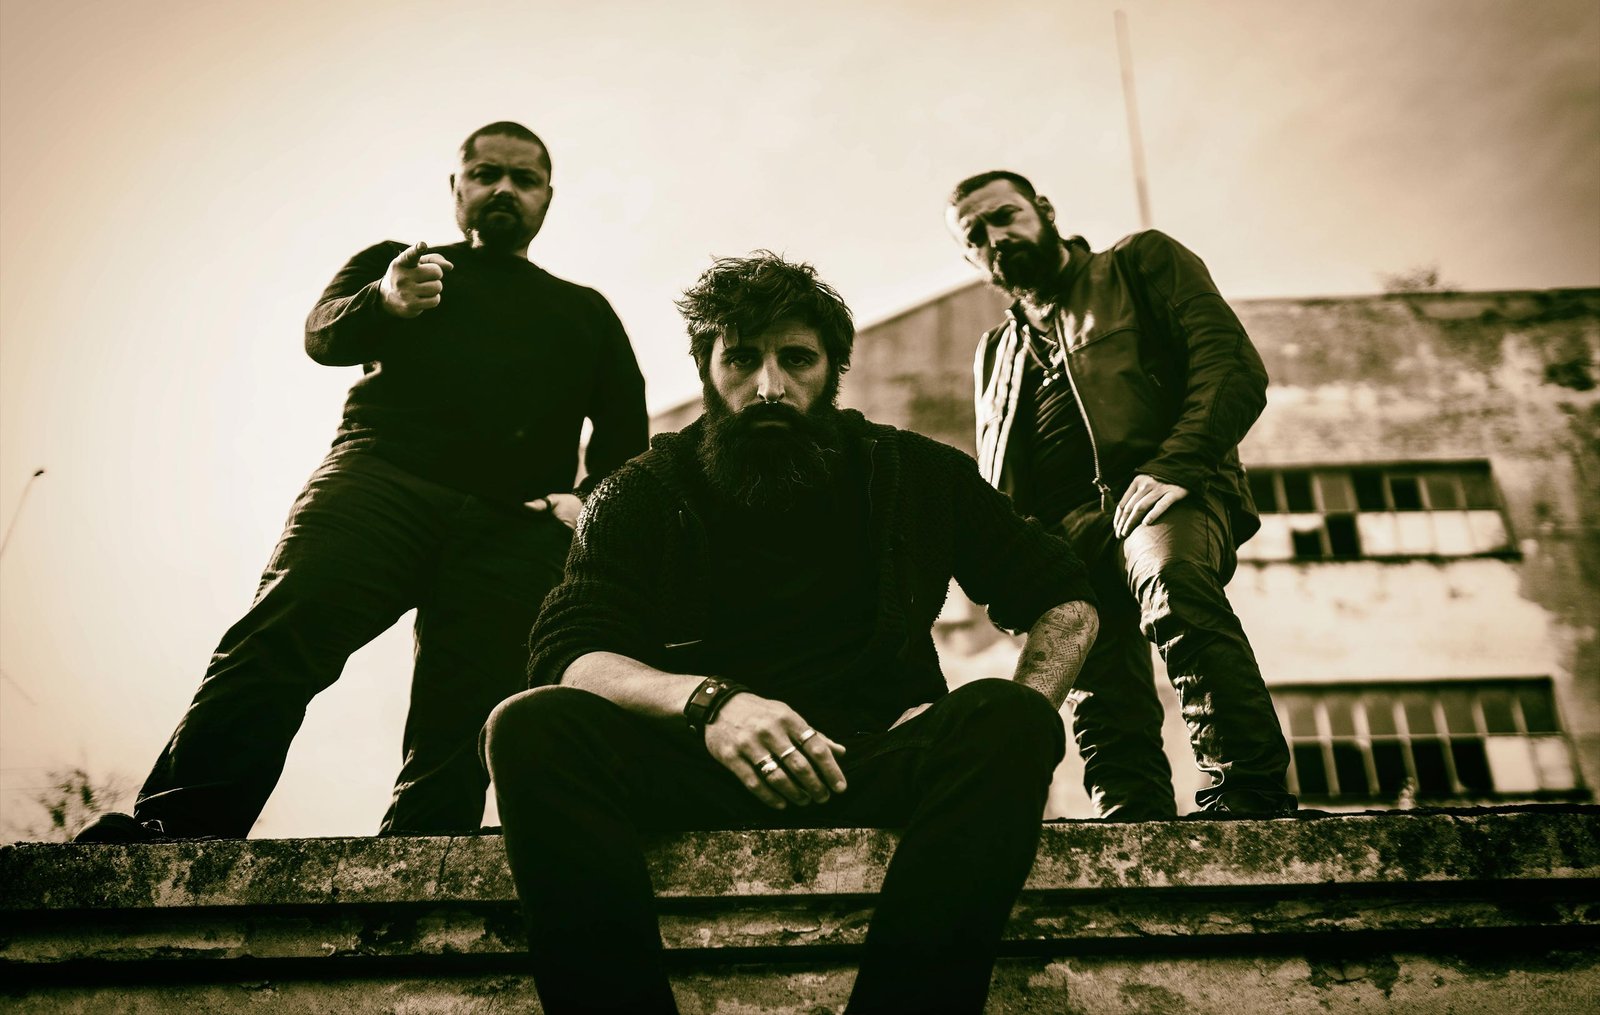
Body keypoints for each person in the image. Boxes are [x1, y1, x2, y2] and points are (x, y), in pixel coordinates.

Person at [482, 252, 1100, 1014]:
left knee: (1010, 717)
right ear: (709, 370)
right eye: (742, 358)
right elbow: (570, 654)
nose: (769, 386)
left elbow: (1065, 599)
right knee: (530, 725)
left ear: (833, 369)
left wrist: (1015, 707)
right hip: (696, 769)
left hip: (874, 760)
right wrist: (711, 704)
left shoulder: (917, 473)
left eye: (796, 359)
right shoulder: (638, 491)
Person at [76, 122, 647, 842]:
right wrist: (385, 301)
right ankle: (179, 827)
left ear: (547, 198)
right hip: (379, 486)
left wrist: (584, 506)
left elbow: (625, 431)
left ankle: (424, 860)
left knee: (467, 713)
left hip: (515, 525)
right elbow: (322, 336)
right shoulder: (397, 265)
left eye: (524, 179)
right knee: (276, 645)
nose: (504, 188)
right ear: (457, 187)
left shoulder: (586, 311)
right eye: (486, 173)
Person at [947, 170, 1296, 820]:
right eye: (975, 235)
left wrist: (1177, 465)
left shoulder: (1138, 263)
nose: (996, 237)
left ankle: (1249, 792)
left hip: (1158, 491)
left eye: (1006, 216)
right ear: (970, 257)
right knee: (1098, 675)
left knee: (1173, 581)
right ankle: (1130, 816)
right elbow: (999, 473)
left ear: (1043, 211)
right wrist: (1015, 563)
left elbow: (1231, 366)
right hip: (1060, 532)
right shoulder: (994, 350)